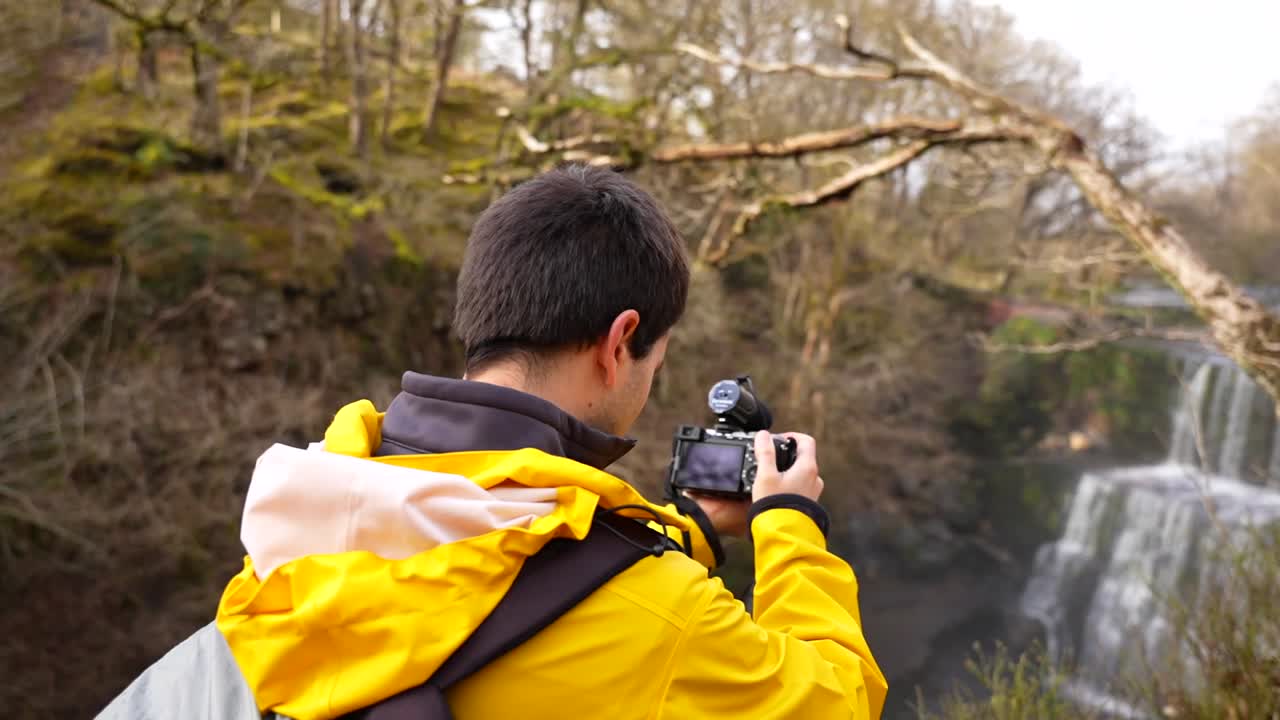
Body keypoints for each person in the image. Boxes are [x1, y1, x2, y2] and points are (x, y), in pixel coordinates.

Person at [98, 165, 887, 720]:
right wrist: (791, 527)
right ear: (621, 343)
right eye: (656, 358)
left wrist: (683, 526)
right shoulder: (665, 625)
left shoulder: (317, 508)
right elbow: (840, 698)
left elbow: (489, 556)